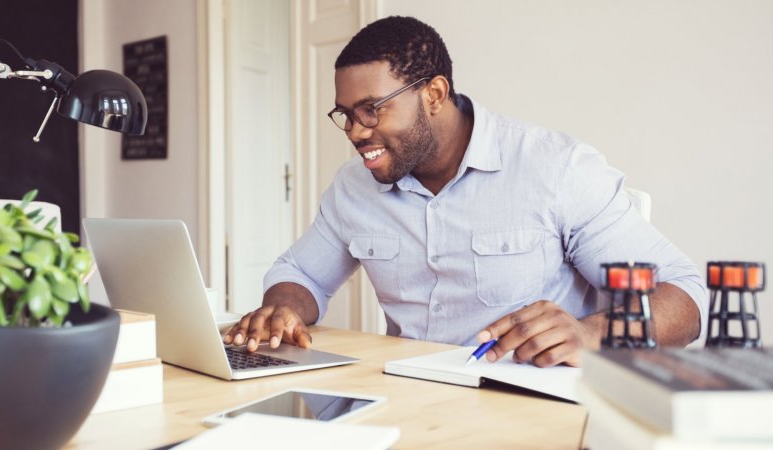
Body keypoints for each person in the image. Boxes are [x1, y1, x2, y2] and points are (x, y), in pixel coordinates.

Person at [223, 16, 706, 367]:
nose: (354, 130)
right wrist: (285, 305)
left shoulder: (556, 169)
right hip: (405, 397)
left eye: (371, 110)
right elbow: (301, 272)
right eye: (346, 114)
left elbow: (684, 295)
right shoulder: (354, 187)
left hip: (529, 406)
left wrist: (592, 332)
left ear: (433, 94)